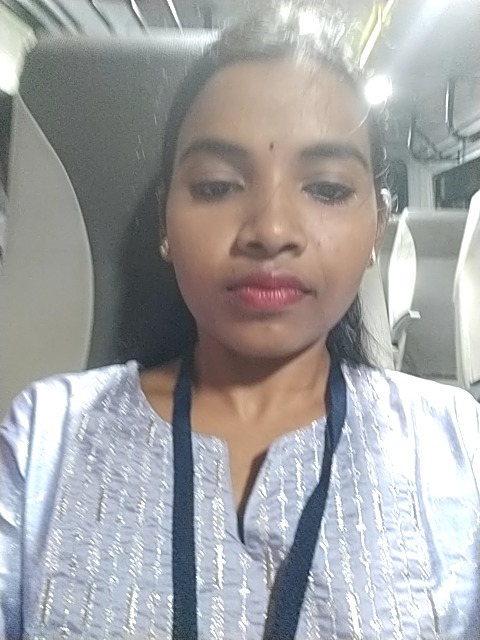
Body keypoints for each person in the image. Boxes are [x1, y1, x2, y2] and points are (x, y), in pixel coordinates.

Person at [1, 3, 479, 639]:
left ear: (376, 230)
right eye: (217, 186)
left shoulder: (455, 445)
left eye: (328, 189)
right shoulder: (46, 438)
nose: (271, 231)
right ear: (166, 223)